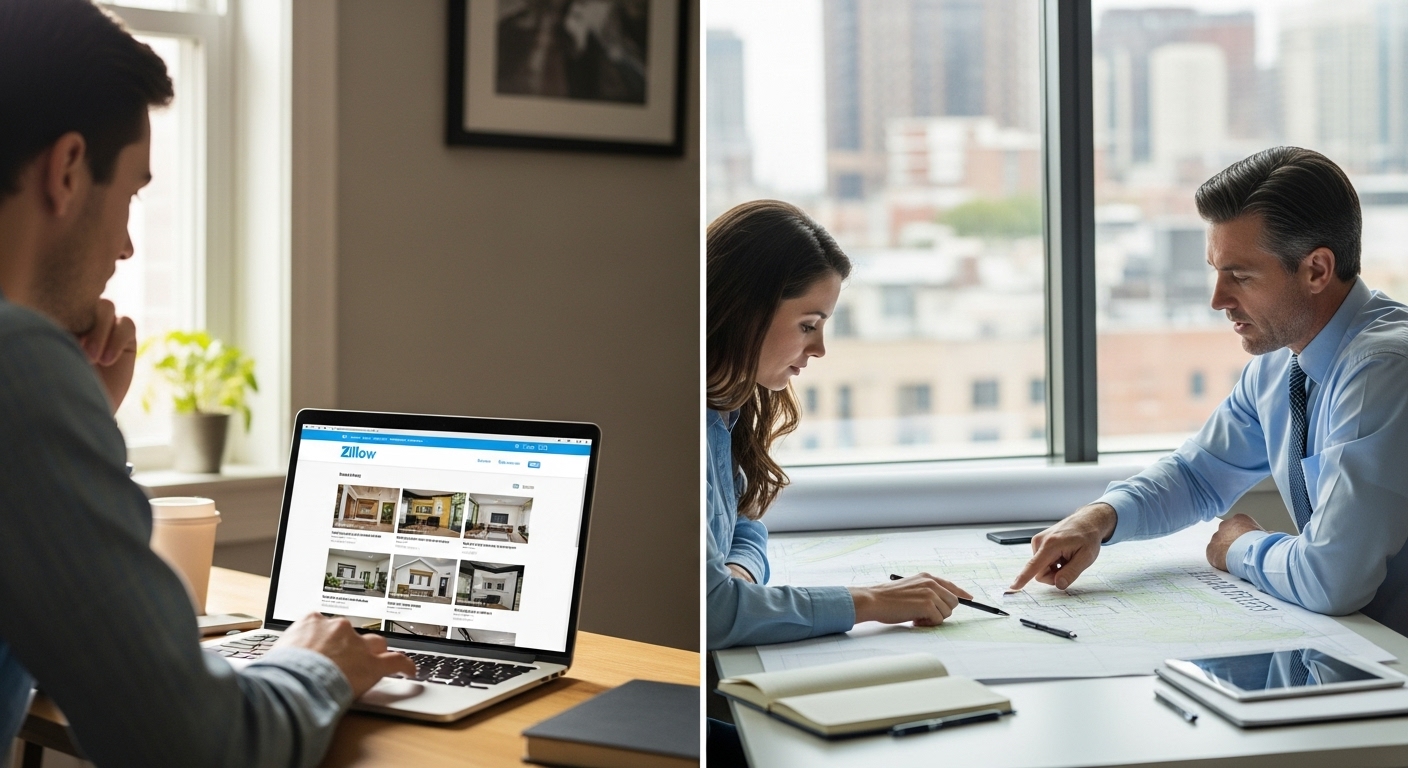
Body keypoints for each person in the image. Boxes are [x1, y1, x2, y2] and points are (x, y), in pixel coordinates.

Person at [0, 1, 414, 764]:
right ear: (65, 170)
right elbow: (196, 742)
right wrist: (316, 664)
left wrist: (83, 414)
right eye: (130, 195)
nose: (126, 244)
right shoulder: (16, 366)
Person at [1009, 146, 1408, 637]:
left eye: (1240, 275)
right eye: (1215, 271)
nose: (1217, 299)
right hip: (1367, 646)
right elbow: (1198, 475)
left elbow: (1333, 579)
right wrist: (1099, 520)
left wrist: (1238, 545)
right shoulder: (1280, 362)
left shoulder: (1383, 370)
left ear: (1317, 271)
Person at [706, 199, 972, 651]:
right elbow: (710, 616)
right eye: (808, 325)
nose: (820, 349)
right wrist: (871, 601)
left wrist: (737, 582)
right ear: (745, 310)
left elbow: (744, 524)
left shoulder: (727, 410)